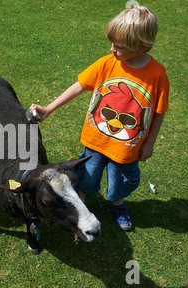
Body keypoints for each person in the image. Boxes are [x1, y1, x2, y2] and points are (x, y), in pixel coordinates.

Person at [30, 6, 169, 231]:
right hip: (96, 141)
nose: (112, 49)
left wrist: (150, 143)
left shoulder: (157, 75)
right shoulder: (106, 63)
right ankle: (80, 202)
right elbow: (80, 86)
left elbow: (159, 111)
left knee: (119, 183)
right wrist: (49, 108)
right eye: (112, 43)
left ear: (142, 46)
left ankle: (118, 203)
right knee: (87, 178)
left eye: (119, 47)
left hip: (127, 148)